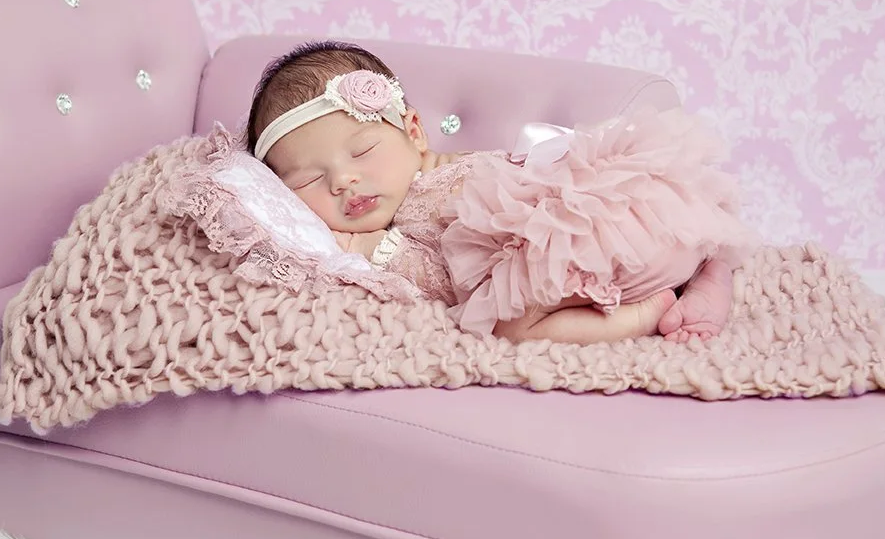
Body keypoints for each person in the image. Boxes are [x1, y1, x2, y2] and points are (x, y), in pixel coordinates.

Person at [245, 41, 754, 344]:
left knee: (505, 324)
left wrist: (367, 249)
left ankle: (644, 315)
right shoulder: (470, 163)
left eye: (361, 151)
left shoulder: (424, 205)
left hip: (605, 244)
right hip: (658, 222)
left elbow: (444, 282)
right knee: (682, 248)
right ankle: (709, 274)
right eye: (310, 180)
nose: (343, 181)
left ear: (414, 131)